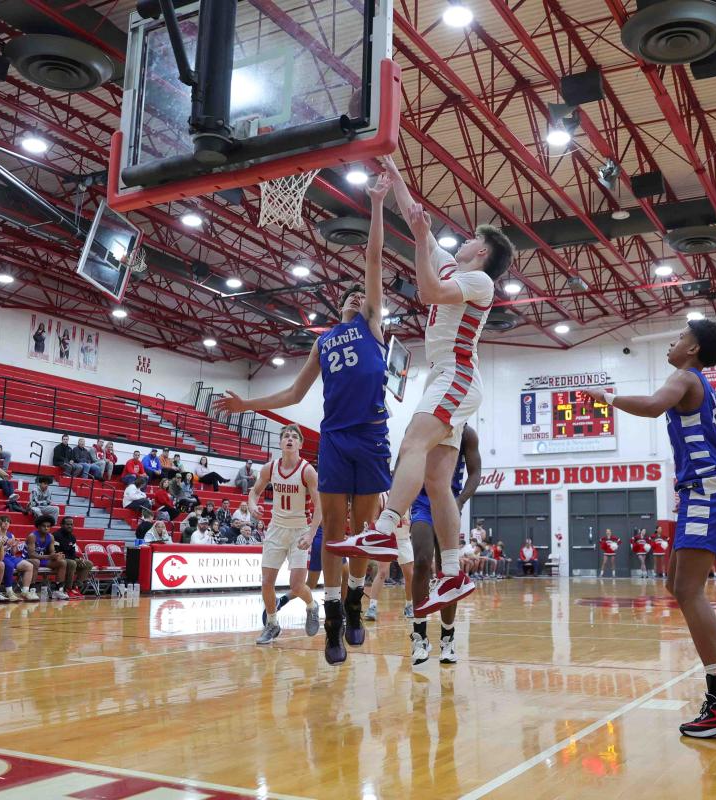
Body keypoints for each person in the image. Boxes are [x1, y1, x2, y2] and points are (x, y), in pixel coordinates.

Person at [214, 175, 394, 665]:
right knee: (335, 530)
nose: (356, 297)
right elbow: (294, 393)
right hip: (335, 439)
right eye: (349, 296)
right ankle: (334, 618)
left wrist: (377, 203)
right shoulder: (324, 341)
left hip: (371, 437)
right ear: (339, 306)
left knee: (365, 528)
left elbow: (374, 259)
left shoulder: (373, 327)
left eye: (361, 295)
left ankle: (354, 601)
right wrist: (247, 405)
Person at [336, 158, 514, 626]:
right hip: (446, 377)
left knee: (412, 443)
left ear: (482, 251)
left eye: (473, 238)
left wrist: (419, 239)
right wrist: (393, 170)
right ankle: (453, 572)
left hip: (456, 374)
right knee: (437, 481)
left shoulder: (480, 280)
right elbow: (414, 213)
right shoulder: (456, 265)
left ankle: (384, 526)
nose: (465, 239)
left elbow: (429, 292)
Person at [588, 319, 716, 739]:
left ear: (694, 348)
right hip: (705, 491)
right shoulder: (705, 390)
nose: (673, 342)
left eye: (680, 337)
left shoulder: (683, 377)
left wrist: (606, 397)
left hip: (704, 492)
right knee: (674, 583)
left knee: (688, 590)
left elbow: (651, 406)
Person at [408, 423, 482, 664]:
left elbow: (475, 473)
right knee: (421, 561)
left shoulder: (467, 433)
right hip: (421, 501)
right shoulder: (423, 422)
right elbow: (404, 461)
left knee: (448, 572)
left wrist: (459, 501)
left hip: (448, 502)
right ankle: (419, 636)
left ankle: (447, 639)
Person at [250, 425, 322, 645]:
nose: (289, 439)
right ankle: (272, 623)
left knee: (296, 586)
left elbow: (319, 505)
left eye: (294, 437)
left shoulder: (307, 471)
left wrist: (310, 535)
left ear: (300, 443)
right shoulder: (270, 468)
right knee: (266, 582)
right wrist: (252, 505)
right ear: (280, 442)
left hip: (299, 530)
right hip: (276, 529)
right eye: (286, 436)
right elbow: (254, 492)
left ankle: (312, 606)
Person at [26, 516, 68, 600]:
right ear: (38, 526)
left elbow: (52, 552)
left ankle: (58, 590)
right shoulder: (32, 536)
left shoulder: (51, 537)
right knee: (36, 561)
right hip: (28, 559)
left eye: (48, 526)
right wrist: (49, 556)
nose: (46, 528)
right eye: (43, 526)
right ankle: (32, 590)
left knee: (62, 562)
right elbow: (31, 554)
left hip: (42, 559)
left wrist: (56, 556)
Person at [0, 516, 37, 600]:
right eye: (4, 521)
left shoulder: (11, 535)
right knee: (10, 565)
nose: (6, 523)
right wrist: (7, 546)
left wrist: (14, 546)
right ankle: (9, 591)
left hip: (9, 556)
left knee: (29, 566)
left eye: (8, 521)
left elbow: (13, 553)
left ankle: (25, 591)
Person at [54, 516, 92, 599]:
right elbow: (56, 552)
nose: (70, 526)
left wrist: (78, 558)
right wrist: (74, 559)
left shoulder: (72, 537)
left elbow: (72, 553)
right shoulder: (56, 535)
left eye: (71, 524)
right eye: (67, 524)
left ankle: (76, 587)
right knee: (72, 563)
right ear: (61, 525)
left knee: (88, 563)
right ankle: (68, 589)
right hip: (58, 559)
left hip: (69, 558)